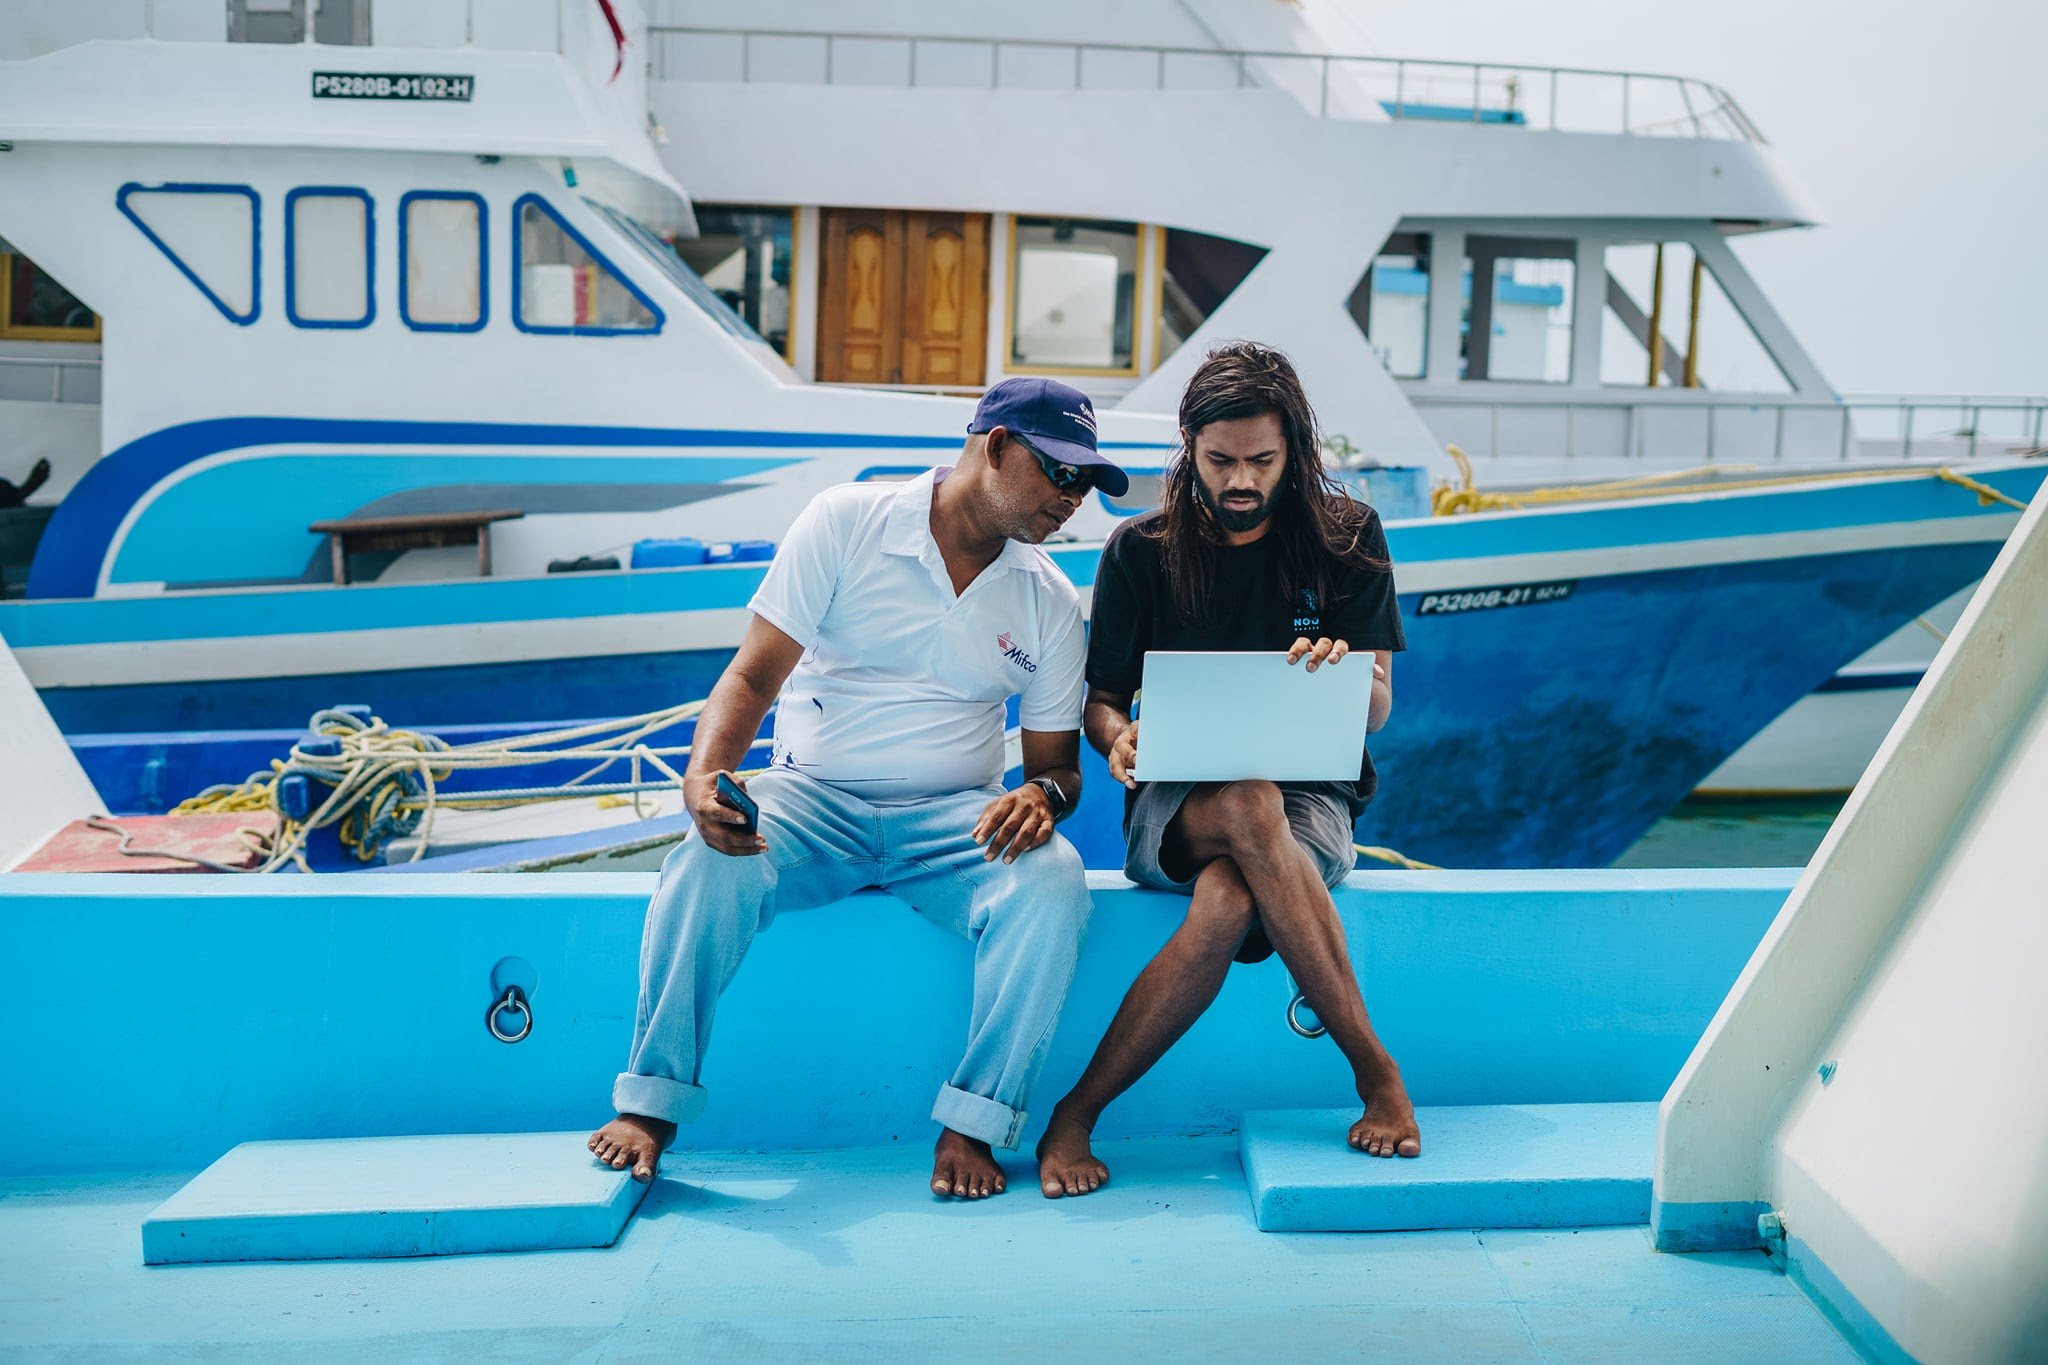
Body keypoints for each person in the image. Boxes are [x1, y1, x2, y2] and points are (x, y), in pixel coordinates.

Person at [590, 377, 1130, 1200]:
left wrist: (1045, 799)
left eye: (1087, 482)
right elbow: (751, 676)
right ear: (995, 447)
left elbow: (1056, 766)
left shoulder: (1050, 599)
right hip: (812, 803)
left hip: (955, 823)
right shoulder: (847, 521)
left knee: (1053, 880)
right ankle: (651, 1106)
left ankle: (973, 1122)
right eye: (1061, 473)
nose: (1074, 498)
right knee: (705, 861)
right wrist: (705, 779)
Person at [1035, 341, 1418, 1199]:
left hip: (1313, 792)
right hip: (1178, 798)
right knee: (1246, 802)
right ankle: (1375, 1072)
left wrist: (1344, 674)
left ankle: (1077, 1112)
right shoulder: (1141, 549)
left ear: (1296, 450)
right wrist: (1116, 739)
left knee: (1229, 896)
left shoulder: (1348, 536)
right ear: (1187, 446)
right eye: (1220, 461)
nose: (1241, 480)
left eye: (1262, 461)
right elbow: (1102, 701)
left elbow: (1382, 704)